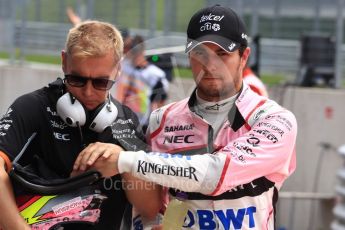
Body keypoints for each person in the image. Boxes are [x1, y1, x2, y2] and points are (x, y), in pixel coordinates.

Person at [73, 5, 297, 229]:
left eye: (222, 54)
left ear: (243, 56)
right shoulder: (162, 120)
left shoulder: (275, 120)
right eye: (201, 53)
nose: (210, 65)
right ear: (189, 55)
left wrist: (124, 160)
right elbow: (148, 206)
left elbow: (216, 174)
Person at [0, 20, 161, 230]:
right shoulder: (32, 107)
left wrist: (125, 160)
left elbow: (150, 209)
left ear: (118, 69)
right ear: (64, 62)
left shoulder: (126, 122)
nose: (88, 92)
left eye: (101, 83)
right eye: (77, 79)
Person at [114, 35, 169, 132]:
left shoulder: (154, 75)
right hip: (122, 120)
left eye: (137, 51)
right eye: (132, 50)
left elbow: (160, 104)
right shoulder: (122, 67)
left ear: (143, 51)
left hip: (142, 125)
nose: (135, 55)